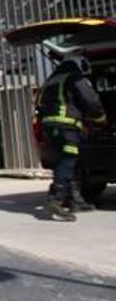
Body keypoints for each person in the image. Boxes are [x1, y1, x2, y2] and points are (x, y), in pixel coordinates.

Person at [37, 57, 108, 220]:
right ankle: (55, 199)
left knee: (68, 162)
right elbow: (90, 100)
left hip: (50, 127)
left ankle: (76, 200)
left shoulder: (51, 80)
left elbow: (40, 105)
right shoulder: (73, 78)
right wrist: (101, 117)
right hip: (66, 126)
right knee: (68, 159)